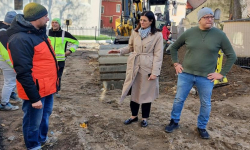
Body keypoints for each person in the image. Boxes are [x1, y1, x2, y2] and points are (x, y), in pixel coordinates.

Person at [165, 7, 237, 139]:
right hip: (186, 74)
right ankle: (174, 121)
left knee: (205, 103)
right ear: (199, 19)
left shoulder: (220, 35)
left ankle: (201, 127)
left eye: (211, 17)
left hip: (206, 77)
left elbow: (232, 56)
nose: (210, 19)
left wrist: (221, 74)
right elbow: (174, 47)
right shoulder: (189, 33)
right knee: (179, 99)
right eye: (207, 17)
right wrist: (176, 63)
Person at [7, 2, 58, 149]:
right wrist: (34, 97)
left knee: (44, 117)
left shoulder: (38, 33)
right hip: (35, 91)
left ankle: (42, 139)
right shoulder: (20, 39)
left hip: (47, 88)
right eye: (45, 16)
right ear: (36, 18)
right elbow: (23, 72)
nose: (48, 19)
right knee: (32, 122)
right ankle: (33, 145)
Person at [108, 11, 163, 127]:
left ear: (151, 21)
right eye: (141, 20)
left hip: (148, 65)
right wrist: (119, 51)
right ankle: (133, 116)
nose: (142, 22)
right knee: (134, 91)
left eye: (145, 21)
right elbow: (130, 47)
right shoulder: (135, 32)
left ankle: (144, 118)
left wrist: (155, 72)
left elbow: (158, 55)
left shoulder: (157, 35)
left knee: (146, 93)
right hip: (134, 64)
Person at [48, 18, 79, 98]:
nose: (54, 24)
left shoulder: (64, 34)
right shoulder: (47, 33)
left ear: (59, 24)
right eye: (53, 22)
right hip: (48, 59)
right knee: (48, 75)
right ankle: (49, 91)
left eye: (56, 23)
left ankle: (56, 90)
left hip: (60, 60)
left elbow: (76, 42)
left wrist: (70, 51)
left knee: (58, 76)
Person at [0, 11, 21, 111]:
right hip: (7, 61)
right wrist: (13, 64)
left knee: (11, 81)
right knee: (9, 82)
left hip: (5, 61)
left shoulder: (4, 29)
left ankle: (11, 94)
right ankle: (4, 103)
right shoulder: (4, 32)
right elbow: (6, 52)